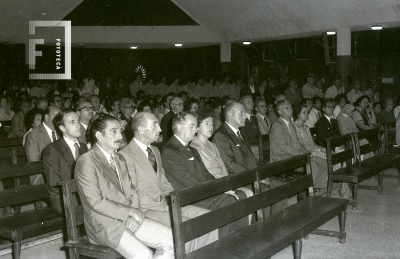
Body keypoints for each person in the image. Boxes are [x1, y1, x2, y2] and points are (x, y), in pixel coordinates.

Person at [75, 114, 174, 259]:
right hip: (105, 224)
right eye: (113, 131)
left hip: (129, 217)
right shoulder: (86, 161)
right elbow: (96, 202)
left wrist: (135, 214)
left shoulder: (120, 159)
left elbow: (133, 191)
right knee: (143, 254)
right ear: (99, 135)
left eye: (120, 131)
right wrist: (129, 212)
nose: (120, 136)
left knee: (171, 239)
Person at [119, 112, 218, 252]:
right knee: (188, 226)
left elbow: (164, 182)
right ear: (141, 129)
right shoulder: (125, 155)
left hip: (166, 203)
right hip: (147, 209)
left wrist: (171, 201)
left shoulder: (154, 150)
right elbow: (132, 192)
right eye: (154, 124)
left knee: (208, 218)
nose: (160, 129)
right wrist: (163, 205)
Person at [162, 111, 248, 238]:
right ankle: (222, 245)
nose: (195, 130)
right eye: (191, 126)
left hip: (199, 191)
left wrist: (222, 187)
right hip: (187, 196)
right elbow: (188, 181)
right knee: (228, 200)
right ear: (179, 127)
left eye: (195, 126)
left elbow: (206, 174)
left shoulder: (191, 148)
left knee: (240, 195)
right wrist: (218, 191)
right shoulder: (170, 151)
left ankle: (241, 237)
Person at [212, 102, 287, 215]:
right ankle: (265, 227)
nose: (245, 116)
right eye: (241, 113)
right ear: (230, 114)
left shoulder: (240, 132)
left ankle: (277, 222)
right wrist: (256, 176)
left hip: (252, 173)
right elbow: (230, 165)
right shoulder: (221, 135)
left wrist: (262, 172)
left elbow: (251, 158)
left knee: (281, 185)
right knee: (267, 191)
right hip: (239, 178)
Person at [270, 100, 328, 190]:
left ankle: (318, 186)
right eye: (287, 108)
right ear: (280, 112)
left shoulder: (291, 125)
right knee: (312, 164)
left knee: (323, 162)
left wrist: (308, 153)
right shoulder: (277, 126)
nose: (291, 110)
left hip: (294, 154)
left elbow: (298, 143)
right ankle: (313, 190)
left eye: (291, 107)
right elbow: (283, 147)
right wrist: (301, 155)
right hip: (282, 157)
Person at [42, 111, 88, 213]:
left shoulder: (83, 147)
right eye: (72, 122)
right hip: (64, 198)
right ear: (62, 128)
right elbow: (55, 185)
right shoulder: (52, 150)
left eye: (78, 121)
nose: (78, 125)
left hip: (84, 196)